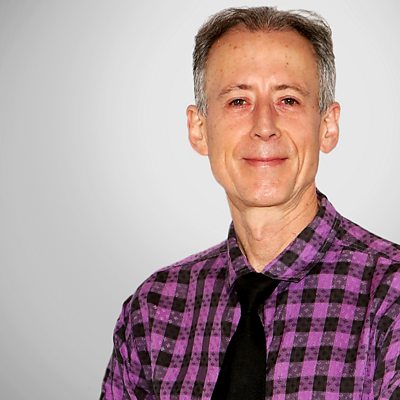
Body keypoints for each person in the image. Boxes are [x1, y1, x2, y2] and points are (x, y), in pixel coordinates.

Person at [100, 6, 400, 399]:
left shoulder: (391, 296)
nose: (264, 127)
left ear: (327, 126)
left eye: (288, 100)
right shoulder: (154, 311)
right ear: (199, 129)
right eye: (238, 101)